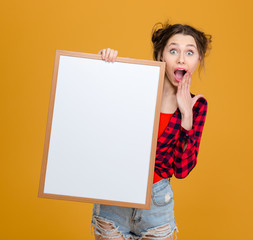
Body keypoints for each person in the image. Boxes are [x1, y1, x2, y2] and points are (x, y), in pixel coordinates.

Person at [91, 23, 212, 240]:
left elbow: (182, 170)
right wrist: (104, 66)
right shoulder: (133, 85)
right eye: (173, 50)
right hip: (115, 198)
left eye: (190, 52)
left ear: (198, 60)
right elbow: (98, 119)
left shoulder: (197, 106)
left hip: (157, 206)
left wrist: (186, 116)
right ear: (160, 56)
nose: (181, 59)